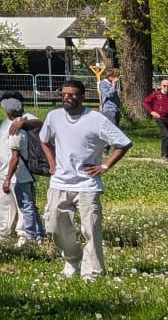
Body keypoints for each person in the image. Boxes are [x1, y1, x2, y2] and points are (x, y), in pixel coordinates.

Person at [39, 80, 131, 280]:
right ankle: (72, 258)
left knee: (91, 229)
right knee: (54, 226)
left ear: (82, 97)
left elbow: (123, 143)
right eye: (63, 94)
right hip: (60, 183)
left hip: (87, 184)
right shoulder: (54, 117)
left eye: (71, 95)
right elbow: (44, 140)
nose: (66, 98)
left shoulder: (96, 120)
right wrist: (52, 163)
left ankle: (92, 272)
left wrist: (105, 166)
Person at [0, 96, 47, 247]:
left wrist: (8, 178)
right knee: (7, 203)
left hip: (18, 173)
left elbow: (15, 157)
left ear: (8, 111)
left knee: (25, 205)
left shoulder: (18, 128)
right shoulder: (7, 124)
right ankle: (36, 234)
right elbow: (3, 149)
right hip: (6, 170)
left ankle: (28, 235)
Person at [142, 76, 168, 162]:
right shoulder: (156, 94)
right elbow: (145, 103)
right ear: (161, 86)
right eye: (164, 86)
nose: (166, 88)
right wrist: (152, 112)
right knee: (166, 135)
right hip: (160, 118)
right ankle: (164, 155)